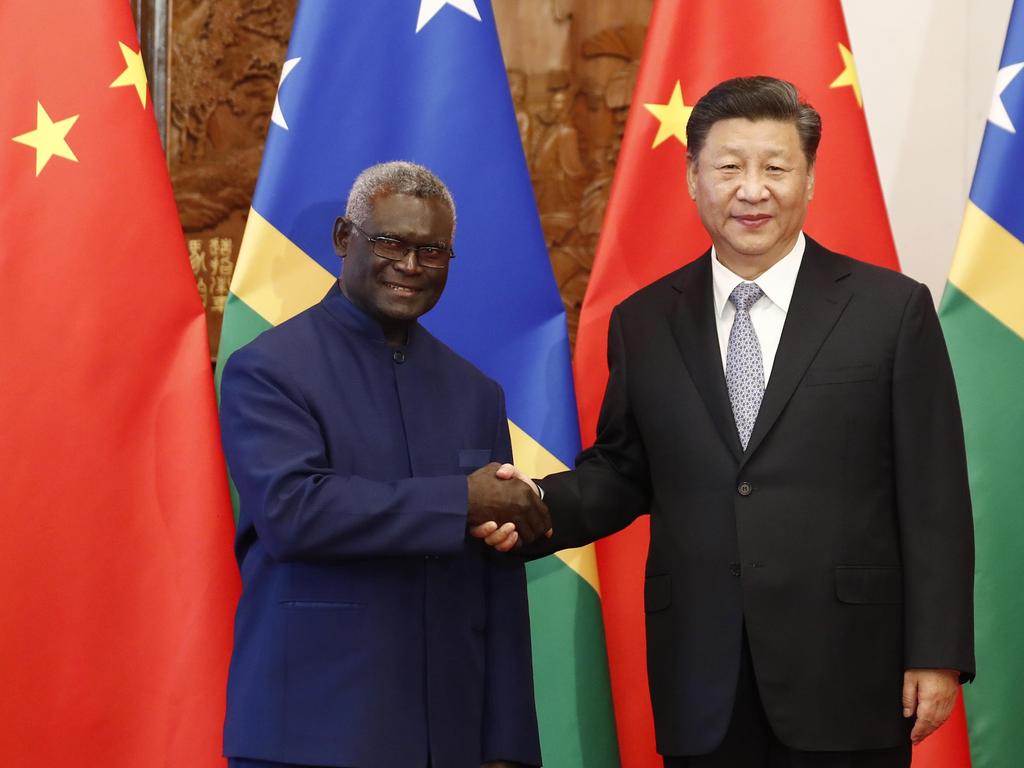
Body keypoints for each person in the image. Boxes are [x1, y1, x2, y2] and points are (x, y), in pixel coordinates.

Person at [493, 77, 975, 767]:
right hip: (702, 673)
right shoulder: (645, 321)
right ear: (693, 180)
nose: (753, 189)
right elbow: (624, 471)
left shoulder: (889, 311)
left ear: (808, 179)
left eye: (776, 168)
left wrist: (937, 652)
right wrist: (531, 507)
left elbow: (934, 496)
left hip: (849, 669)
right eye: (729, 167)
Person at [219, 161, 549, 768]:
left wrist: (507, 746)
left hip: (448, 740)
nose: (411, 265)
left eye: (433, 250)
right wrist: (464, 500)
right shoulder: (267, 370)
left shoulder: (476, 392)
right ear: (346, 238)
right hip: (313, 735)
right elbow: (295, 513)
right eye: (392, 242)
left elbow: (496, 580)